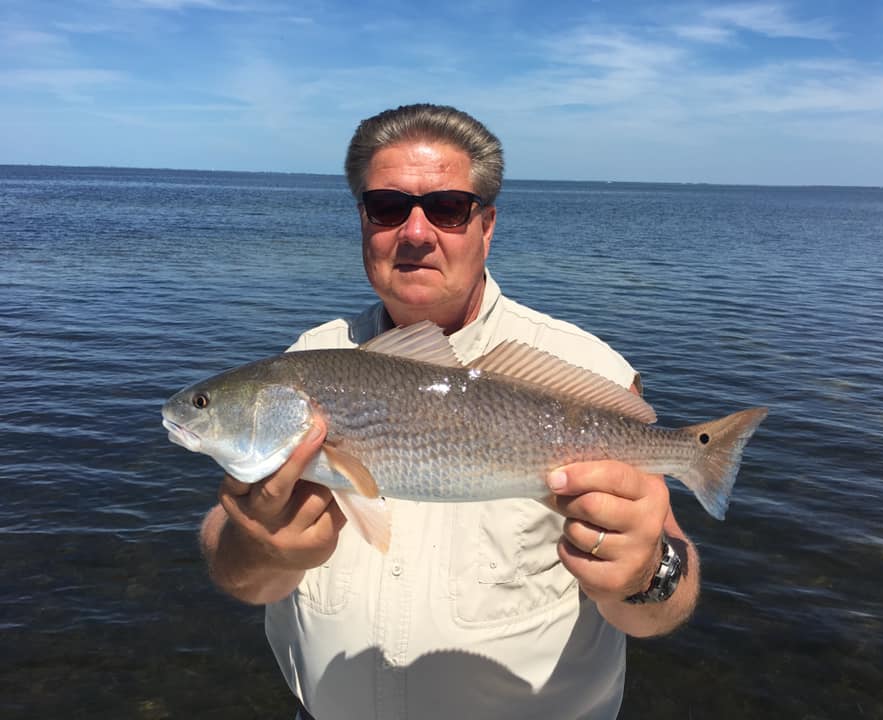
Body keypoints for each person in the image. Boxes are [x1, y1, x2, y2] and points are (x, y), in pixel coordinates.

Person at [200, 104, 700, 719]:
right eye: (387, 207)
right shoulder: (305, 362)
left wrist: (647, 571)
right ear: (362, 220)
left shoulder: (585, 369)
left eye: (447, 209)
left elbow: (662, 611)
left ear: (486, 226)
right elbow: (241, 578)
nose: (414, 233)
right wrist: (257, 548)